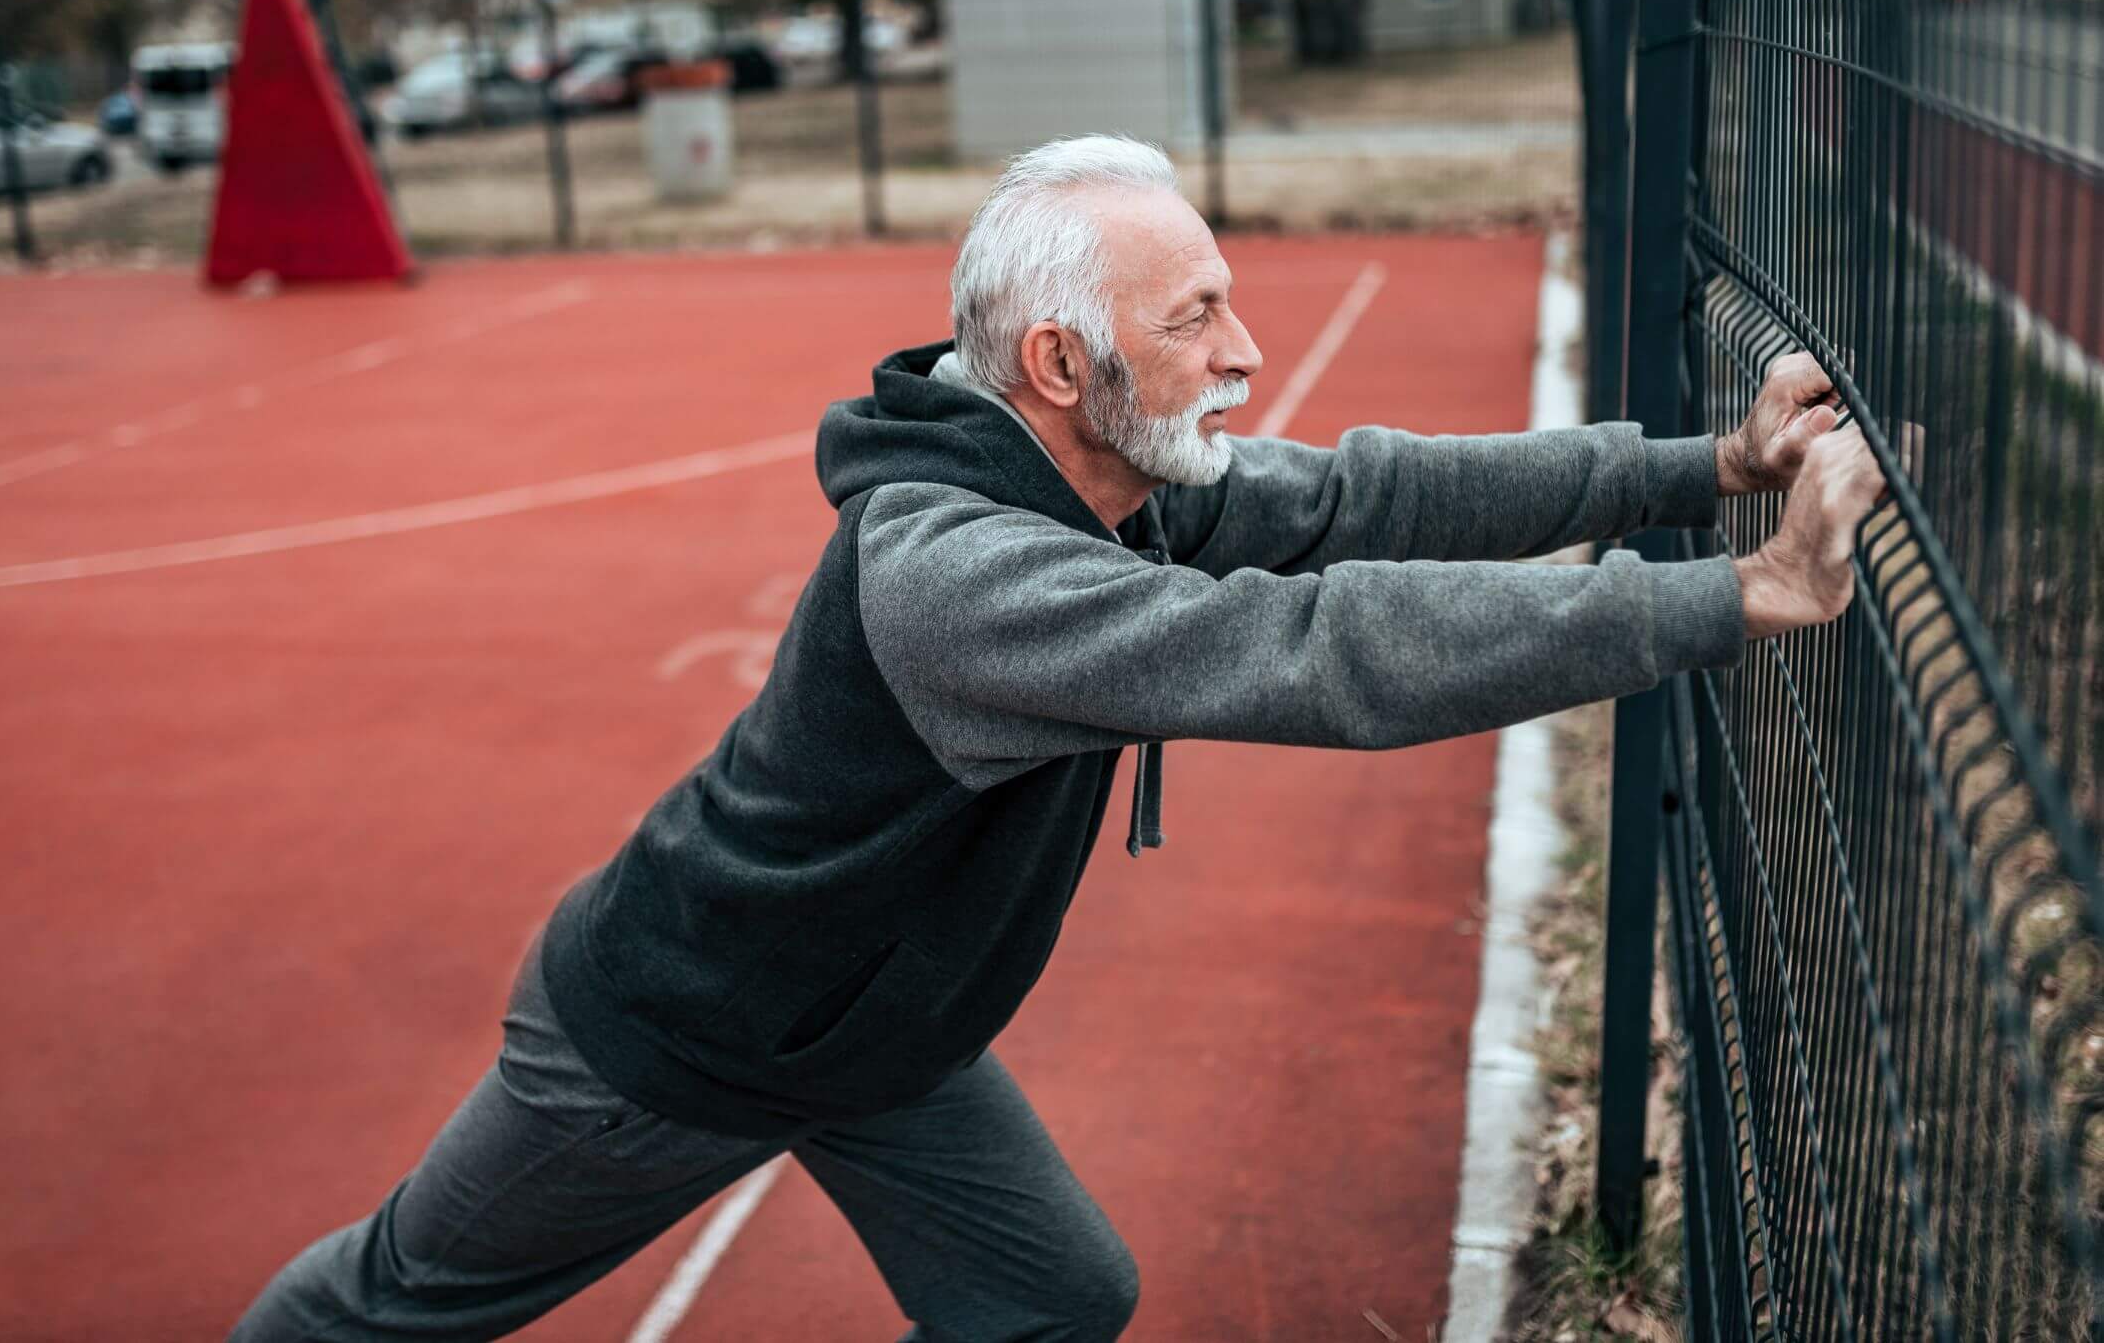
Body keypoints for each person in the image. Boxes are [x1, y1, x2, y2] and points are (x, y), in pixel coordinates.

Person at [231, 135, 1880, 1342]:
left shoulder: (1123, 476)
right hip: (672, 1034)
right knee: (393, 1306)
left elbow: (1375, 493)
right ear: (1059, 361)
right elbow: (1316, 651)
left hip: (874, 1030)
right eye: (1196, 319)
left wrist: (1707, 466)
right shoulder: (961, 579)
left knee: (1048, 1301)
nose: (1240, 354)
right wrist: (1731, 599)